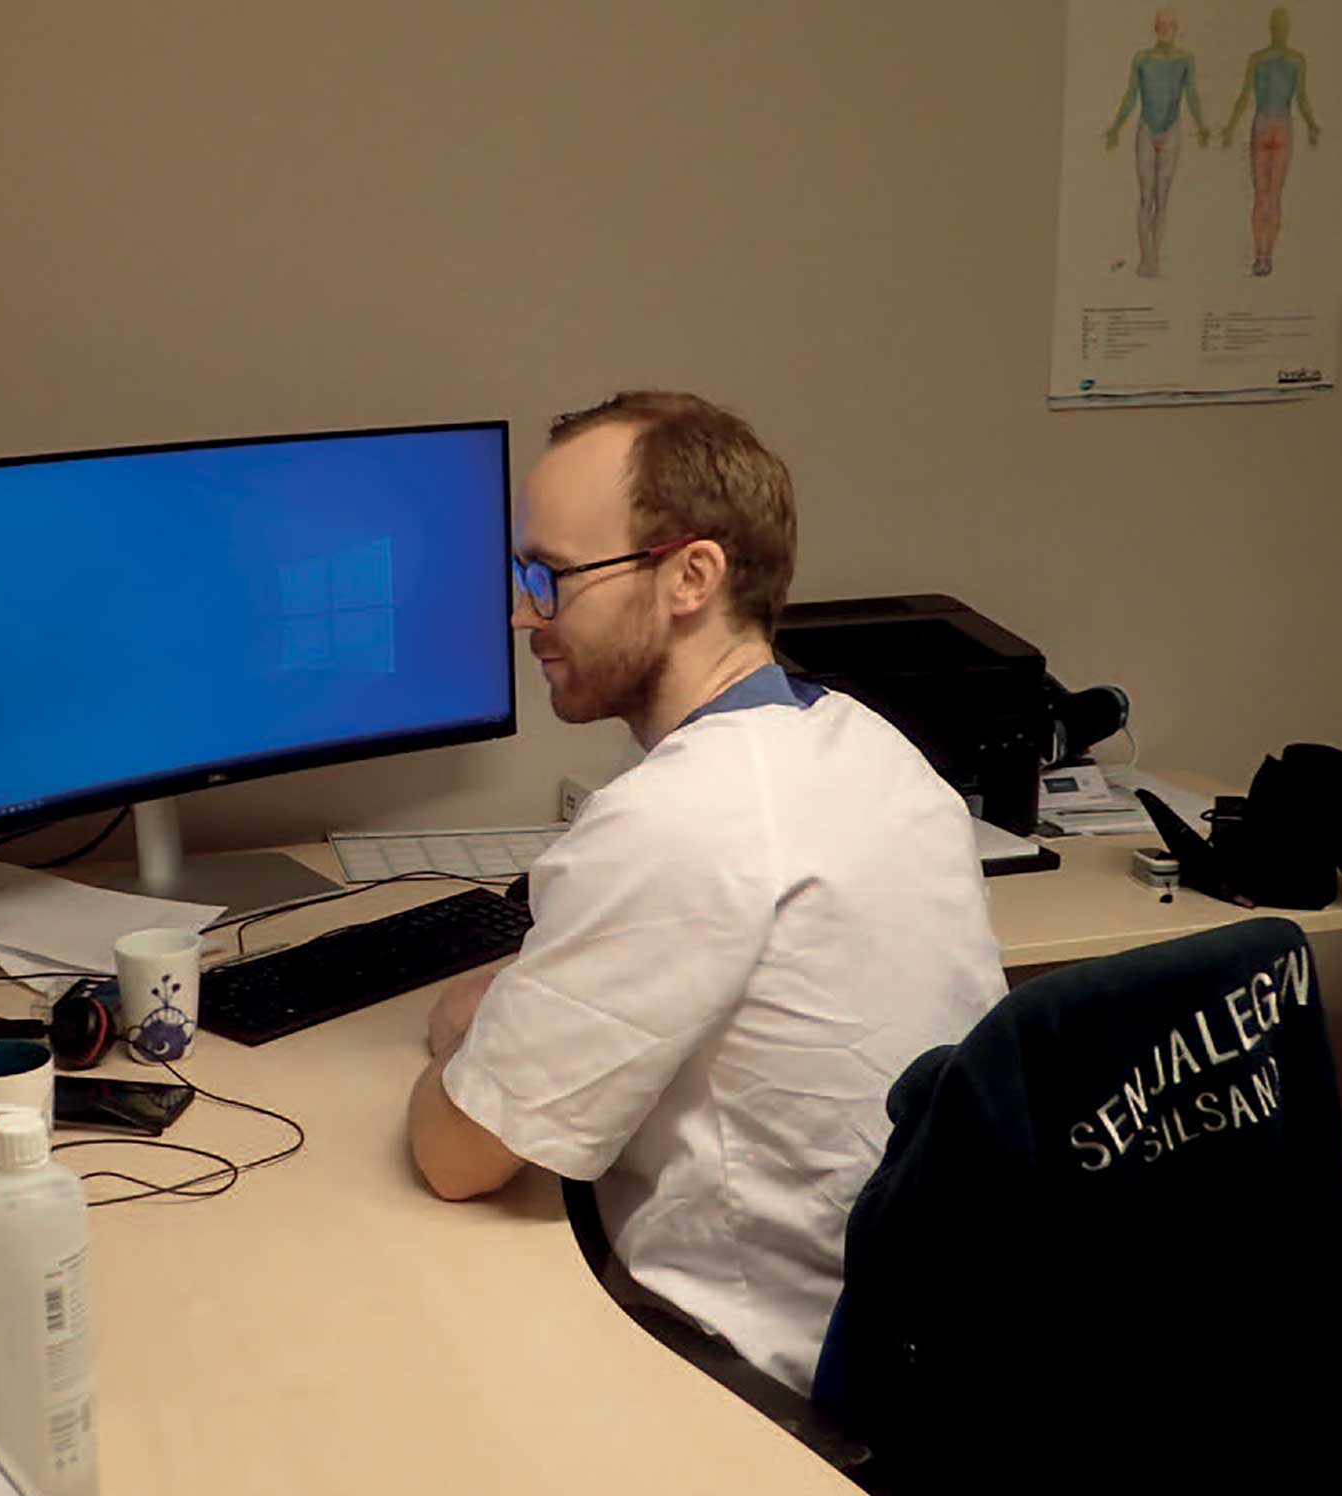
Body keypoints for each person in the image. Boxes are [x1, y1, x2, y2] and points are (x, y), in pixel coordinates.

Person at [406, 391, 1007, 1397]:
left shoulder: (680, 818)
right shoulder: (867, 747)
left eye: (551, 577)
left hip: (761, 1369)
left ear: (691, 576)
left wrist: (464, 1032)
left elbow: (458, 1156)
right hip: (922, 1327)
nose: (522, 613)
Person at [1104, 8, 1210, 278]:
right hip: (1146, 129)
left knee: (1162, 198)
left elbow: (1192, 94)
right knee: (1145, 197)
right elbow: (1131, 95)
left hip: (1171, 130)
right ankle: (1147, 258)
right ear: (1155, 28)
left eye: (1169, 26)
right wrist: (1116, 127)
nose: (1165, 30)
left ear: (1176, 29)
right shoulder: (1142, 58)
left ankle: (1153, 259)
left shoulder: (1185, 59)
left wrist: (1201, 125)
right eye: (1161, 25)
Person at [1220, 6, 1323, 277]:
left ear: (1272, 28)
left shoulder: (1258, 58)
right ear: (1285, 29)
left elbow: (1245, 97)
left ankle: (1261, 256)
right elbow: (1301, 99)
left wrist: (1230, 128)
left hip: (1263, 124)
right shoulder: (1296, 60)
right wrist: (1311, 126)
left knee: (1262, 196)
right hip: (1281, 125)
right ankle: (1266, 256)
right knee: (1273, 197)